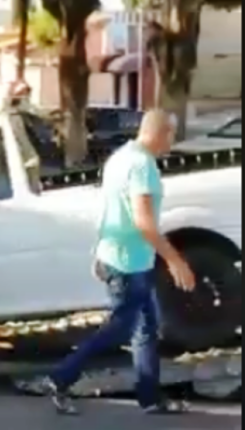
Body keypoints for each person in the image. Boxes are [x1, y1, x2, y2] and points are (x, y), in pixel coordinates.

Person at [43, 109, 197, 416]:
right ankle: (60, 377)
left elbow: (108, 209)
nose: (171, 143)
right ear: (162, 132)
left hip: (121, 256)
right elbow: (143, 222)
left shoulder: (120, 157)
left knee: (145, 328)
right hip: (129, 263)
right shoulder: (143, 165)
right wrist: (175, 259)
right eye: (170, 136)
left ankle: (150, 398)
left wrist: (99, 250)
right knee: (120, 329)